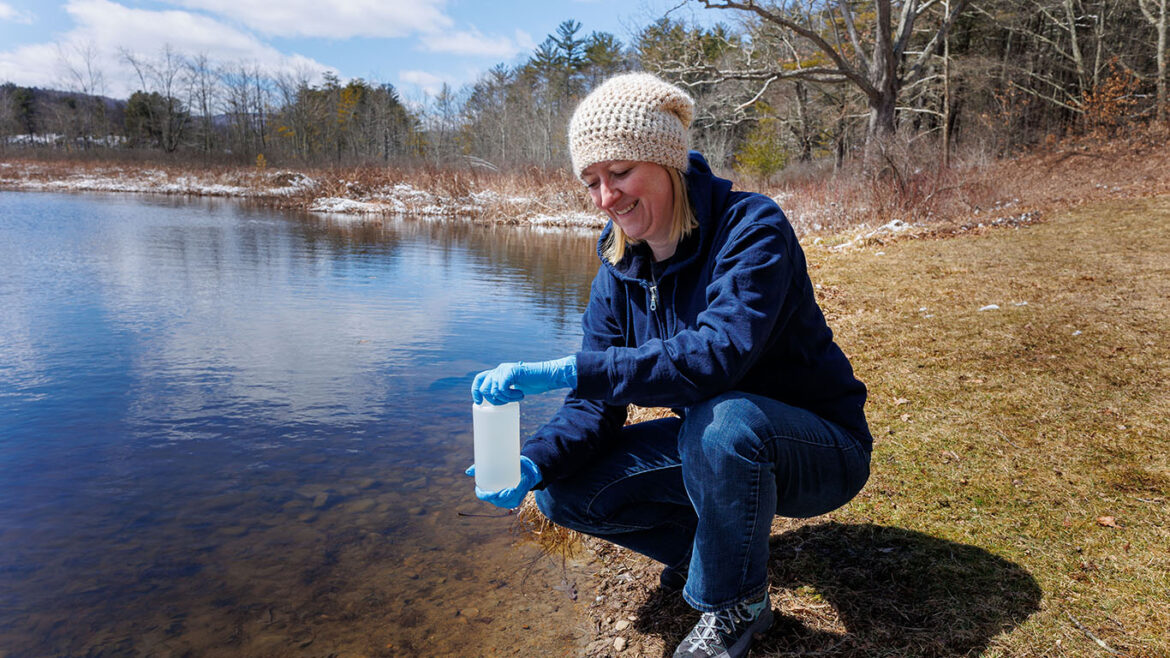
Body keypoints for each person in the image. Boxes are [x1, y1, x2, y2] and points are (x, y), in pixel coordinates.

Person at [468, 73, 872, 658]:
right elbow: (593, 407)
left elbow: (715, 357)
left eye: (621, 172)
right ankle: (710, 554)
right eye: (592, 182)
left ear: (667, 162)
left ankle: (736, 604)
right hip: (714, 441)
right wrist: (533, 462)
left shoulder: (751, 227)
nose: (607, 198)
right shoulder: (618, 266)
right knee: (565, 492)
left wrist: (569, 367)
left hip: (818, 449)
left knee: (724, 418)